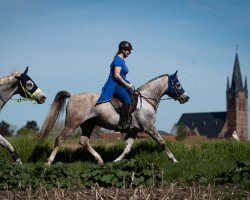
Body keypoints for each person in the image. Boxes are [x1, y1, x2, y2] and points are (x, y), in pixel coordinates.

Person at [97, 41, 134, 131]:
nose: (130, 53)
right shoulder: (118, 60)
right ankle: (122, 124)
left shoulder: (121, 60)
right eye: (129, 51)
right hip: (114, 85)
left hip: (119, 84)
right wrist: (127, 84)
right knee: (128, 100)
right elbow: (117, 75)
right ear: (123, 50)